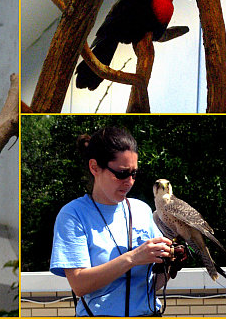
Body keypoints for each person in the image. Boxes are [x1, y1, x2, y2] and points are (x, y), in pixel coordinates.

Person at [51, 126, 175, 317]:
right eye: (122, 174)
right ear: (94, 167)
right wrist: (134, 257)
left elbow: (152, 285)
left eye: (134, 174)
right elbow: (80, 285)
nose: (129, 182)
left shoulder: (142, 210)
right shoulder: (73, 215)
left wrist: (170, 265)